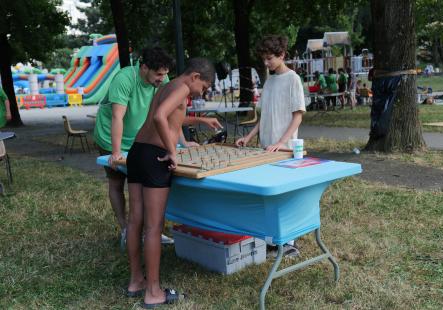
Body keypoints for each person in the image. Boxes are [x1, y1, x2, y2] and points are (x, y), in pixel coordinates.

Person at [93, 47, 221, 250]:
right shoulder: (124, 79)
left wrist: (183, 142)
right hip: (112, 137)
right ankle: (126, 228)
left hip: (140, 142)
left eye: (165, 73)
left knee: (142, 202)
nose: (163, 78)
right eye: (158, 74)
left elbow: (172, 116)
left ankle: (146, 232)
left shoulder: (167, 81)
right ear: (144, 68)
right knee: (117, 182)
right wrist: (116, 152)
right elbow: (118, 117)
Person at [126, 57, 215, 307]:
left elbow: (171, 117)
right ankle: (153, 293)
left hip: (137, 153)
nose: (201, 93)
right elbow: (159, 117)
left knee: (135, 220)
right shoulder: (185, 88)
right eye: (204, 88)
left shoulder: (168, 85)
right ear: (195, 77)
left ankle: (136, 281)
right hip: (154, 157)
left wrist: (200, 120)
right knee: (154, 227)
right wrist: (172, 150)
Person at [235, 34, 305, 257]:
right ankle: (272, 242)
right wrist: (248, 137)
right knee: (267, 197)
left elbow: (298, 116)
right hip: (266, 148)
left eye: (269, 59)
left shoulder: (293, 79)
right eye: (264, 59)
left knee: (285, 197)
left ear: (282, 55)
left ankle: (289, 243)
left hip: (284, 150)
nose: (266, 63)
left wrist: (280, 143)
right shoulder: (270, 80)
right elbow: (263, 117)